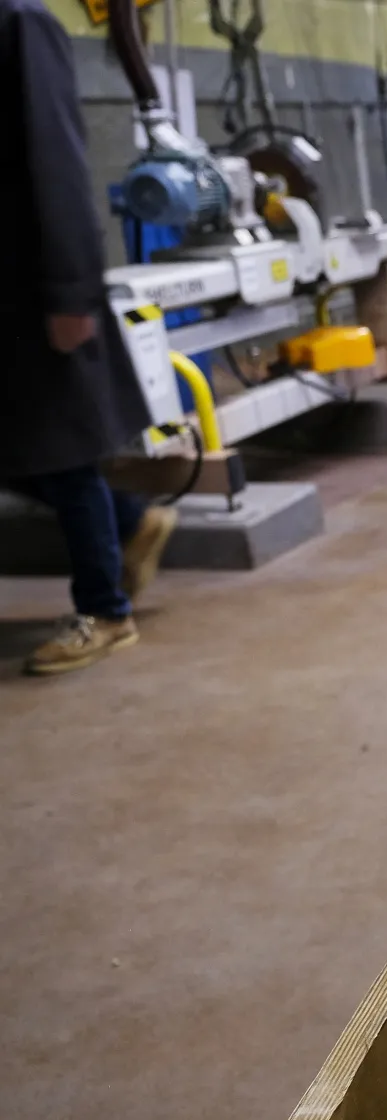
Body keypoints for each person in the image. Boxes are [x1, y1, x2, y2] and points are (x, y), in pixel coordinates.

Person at [2, 0, 175, 676]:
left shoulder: (21, 22)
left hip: (34, 285)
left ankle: (105, 611)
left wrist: (71, 291)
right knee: (24, 450)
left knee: (61, 449)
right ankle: (133, 521)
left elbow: (57, 158)